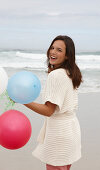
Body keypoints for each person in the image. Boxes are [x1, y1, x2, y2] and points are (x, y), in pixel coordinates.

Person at [24, 35, 83, 170]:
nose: (53, 52)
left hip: (59, 135)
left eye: (59, 50)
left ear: (67, 55)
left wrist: (24, 101)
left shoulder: (56, 75)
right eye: (52, 48)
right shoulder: (71, 73)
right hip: (71, 131)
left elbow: (49, 111)